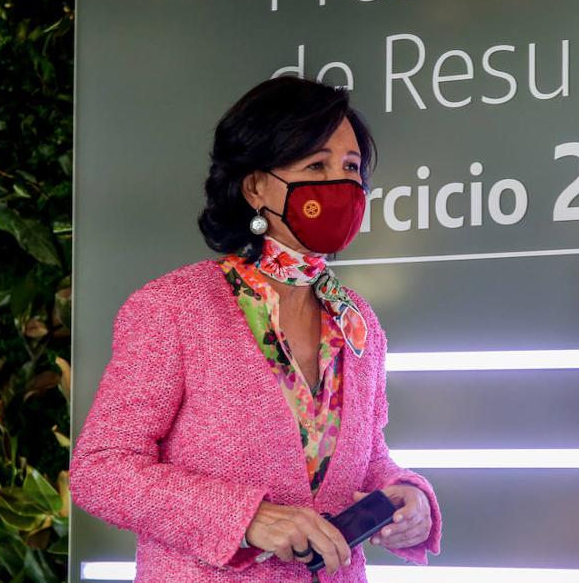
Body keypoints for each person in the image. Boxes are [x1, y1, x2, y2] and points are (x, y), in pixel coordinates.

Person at [69, 76, 442, 582]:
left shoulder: (355, 319)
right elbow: (101, 470)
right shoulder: (174, 307)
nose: (342, 184)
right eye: (316, 165)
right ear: (255, 186)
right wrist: (247, 519)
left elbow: (364, 455)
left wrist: (405, 494)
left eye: (352, 168)